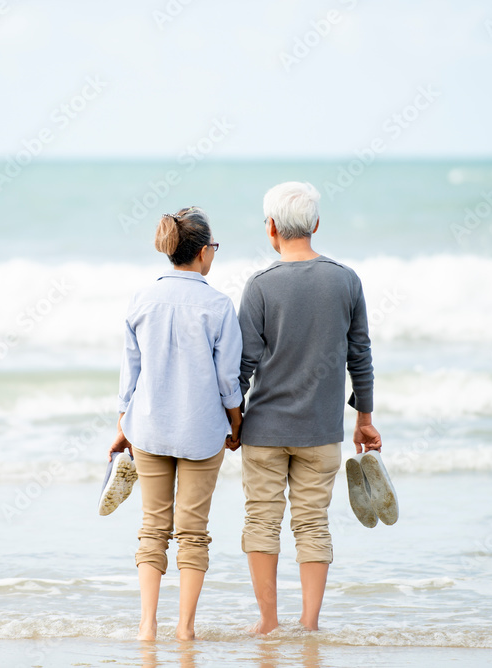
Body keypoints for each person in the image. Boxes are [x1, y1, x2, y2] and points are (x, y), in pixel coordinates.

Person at [228, 182, 382, 633]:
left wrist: (232, 421)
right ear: (315, 224)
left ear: (271, 227)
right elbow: (361, 355)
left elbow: (242, 365)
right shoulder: (346, 280)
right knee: (313, 524)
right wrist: (365, 418)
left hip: (265, 431)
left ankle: (268, 623)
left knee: (261, 520)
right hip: (321, 432)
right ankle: (310, 624)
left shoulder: (259, 285)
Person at [109, 206, 244, 642]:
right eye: (214, 248)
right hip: (202, 431)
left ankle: (147, 628)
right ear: (204, 252)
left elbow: (130, 372)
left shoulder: (140, 299)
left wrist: (122, 424)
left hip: (146, 426)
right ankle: (185, 630)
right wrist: (235, 420)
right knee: (193, 533)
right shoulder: (219, 305)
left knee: (152, 526)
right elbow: (228, 379)